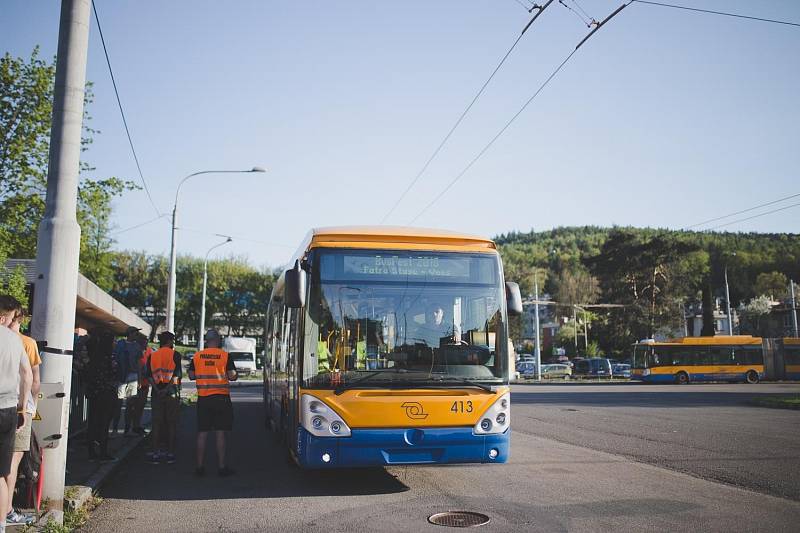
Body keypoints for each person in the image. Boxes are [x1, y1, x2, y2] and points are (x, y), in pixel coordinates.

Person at [4, 305, 40, 526]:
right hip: (19, 408)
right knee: (12, 463)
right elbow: (34, 379)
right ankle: (7, 510)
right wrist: (29, 405)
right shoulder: (27, 343)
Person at [0, 295, 33, 531]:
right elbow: (27, 375)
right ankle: (1, 524)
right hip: (9, 410)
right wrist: (23, 407)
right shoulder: (16, 340)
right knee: (2, 473)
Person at [188, 329, 237, 477]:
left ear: (206, 340)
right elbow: (232, 376)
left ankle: (199, 467)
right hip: (221, 398)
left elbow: (191, 376)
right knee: (220, 433)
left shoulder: (196, 356)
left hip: (203, 399)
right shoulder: (225, 356)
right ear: (217, 340)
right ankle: (221, 467)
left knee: (202, 433)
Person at [145, 331, 181, 465]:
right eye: (173, 340)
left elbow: (149, 376)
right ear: (169, 341)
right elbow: (176, 375)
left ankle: (155, 452)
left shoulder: (153, 355)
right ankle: (170, 452)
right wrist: (166, 389)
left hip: (157, 393)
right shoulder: (175, 355)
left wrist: (157, 389)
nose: (173, 343)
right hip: (171, 392)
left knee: (157, 423)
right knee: (171, 423)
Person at [85, 329, 119, 462]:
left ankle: (91, 452)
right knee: (104, 424)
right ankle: (103, 452)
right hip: (106, 395)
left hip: (94, 394)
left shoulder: (93, 358)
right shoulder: (109, 359)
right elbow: (115, 374)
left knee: (92, 422)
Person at [112, 326, 143, 435]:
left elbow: (139, 364)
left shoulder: (137, 346)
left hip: (133, 376)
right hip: (122, 376)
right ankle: (114, 429)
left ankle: (127, 429)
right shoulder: (121, 344)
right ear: (129, 334)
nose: (137, 335)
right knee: (118, 403)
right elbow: (115, 359)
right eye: (135, 333)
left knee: (131, 404)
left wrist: (139, 379)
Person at [130, 333, 152, 436]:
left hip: (145, 383)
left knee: (140, 406)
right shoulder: (134, 352)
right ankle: (130, 427)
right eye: (143, 342)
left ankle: (136, 426)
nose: (145, 344)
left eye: (146, 342)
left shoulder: (149, 351)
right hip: (134, 383)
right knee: (132, 406)